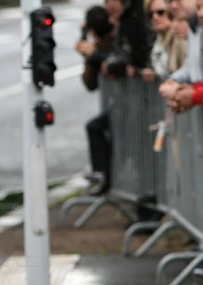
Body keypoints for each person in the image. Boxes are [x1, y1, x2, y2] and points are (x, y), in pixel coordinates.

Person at [76, 5, 117, 194]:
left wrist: (94, 55)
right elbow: (90, 83)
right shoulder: (98, 45)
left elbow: (116, 64)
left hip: (130, 108)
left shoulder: (115, 40)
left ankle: (105, 178)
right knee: (94, 127)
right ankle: (102, 176)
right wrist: (88, 58)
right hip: (118, 106)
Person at [140, 0, 187, 81]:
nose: (155, 17)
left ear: (171, 13)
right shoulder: (157, 41)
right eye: (151, 14)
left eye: (160, 12)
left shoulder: (180, 38)